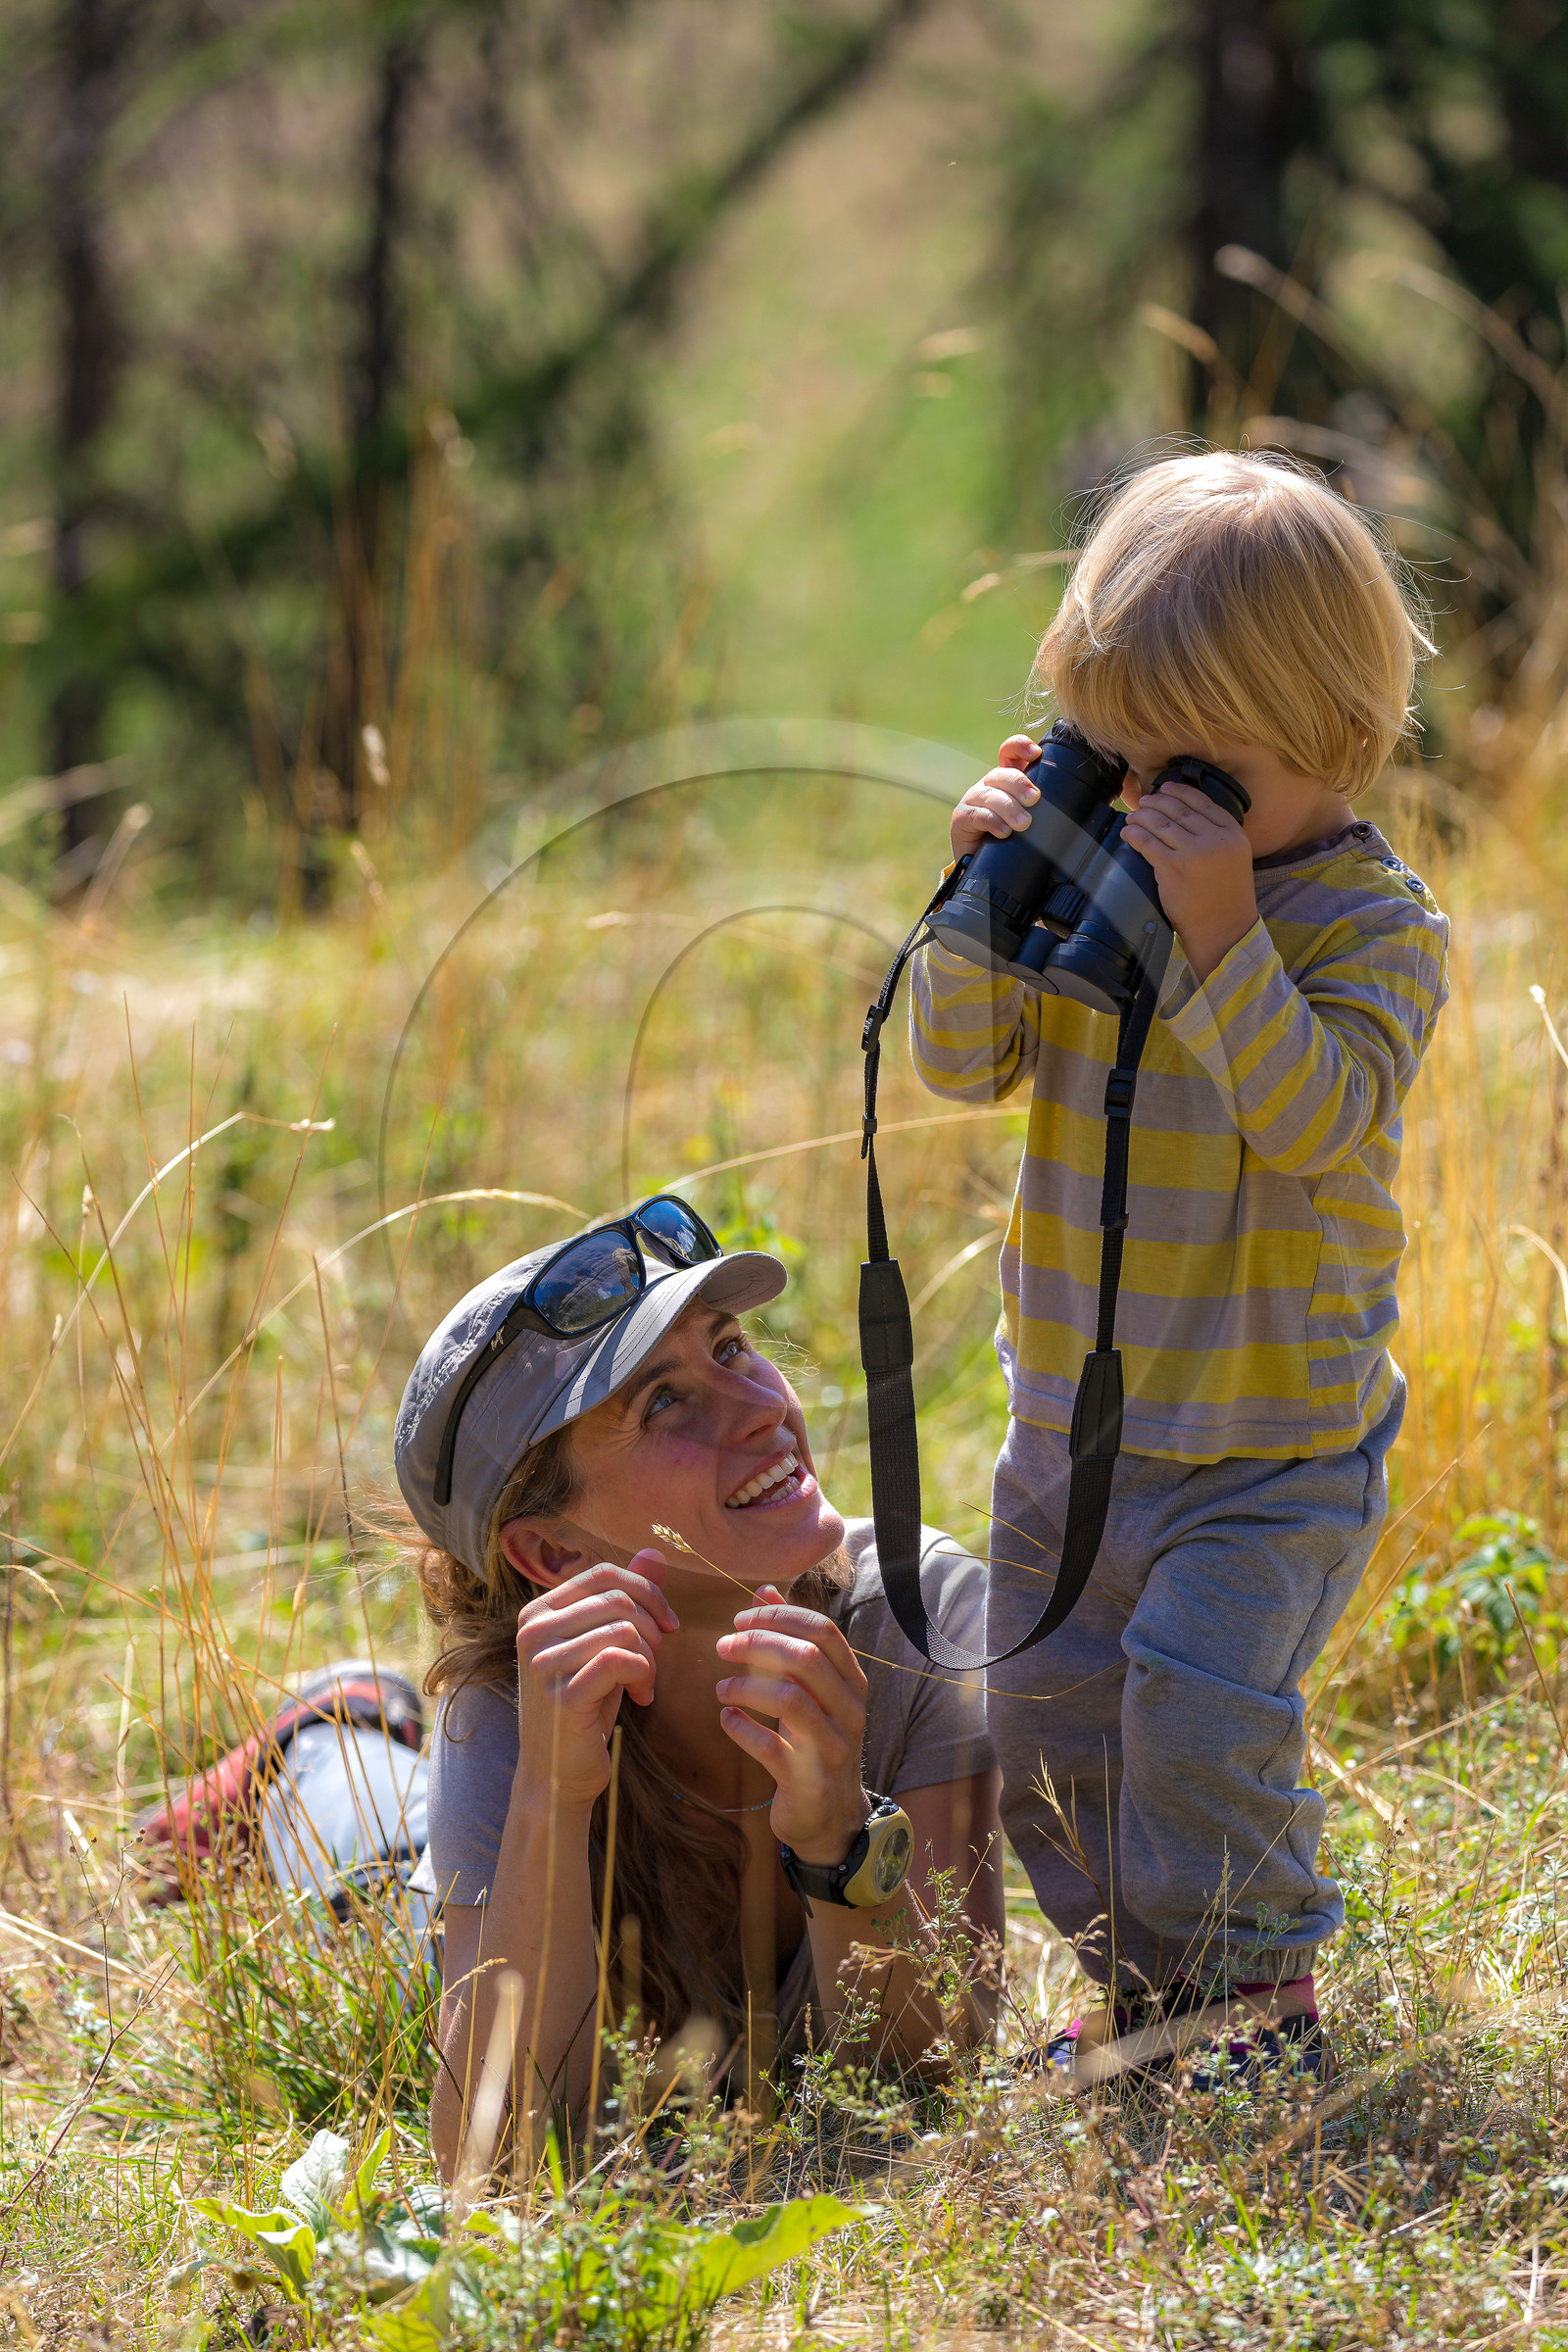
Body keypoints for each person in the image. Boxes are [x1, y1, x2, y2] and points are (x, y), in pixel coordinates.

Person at [909, 449, 1449, 2080]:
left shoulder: (1371, 929)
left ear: (1333, 730)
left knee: (1201, 1718)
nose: (1151, 808)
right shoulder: (1108, 862)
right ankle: (1153, 1994)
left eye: (1199, 776)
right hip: (1071, 1425)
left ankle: (1254, 1996)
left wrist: (1220, 932)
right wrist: (978, 898)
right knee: (1050, 1719)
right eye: (1121, 758)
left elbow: (1320, 1121)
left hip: (1272, 1446)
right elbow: (960, 1065)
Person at [392, 1196, 1002, 2175]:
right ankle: (326, 1725)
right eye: (663, 1402)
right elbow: (493, 2161)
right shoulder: (514, 1702)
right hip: (382, 1875)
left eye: (729, 1347)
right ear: (552, 1552)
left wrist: (841, 1840)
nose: (764, 1406)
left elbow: (941, 2073)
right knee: (350, 1833)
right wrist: (551, 1797)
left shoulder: (915, 1614)